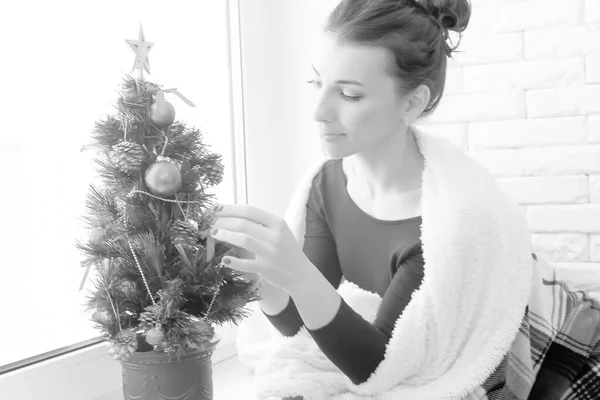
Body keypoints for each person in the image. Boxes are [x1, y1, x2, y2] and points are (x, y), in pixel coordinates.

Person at [206, 0, 597, 399]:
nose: (319, 112)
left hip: (565, 357)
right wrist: (264, 276)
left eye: (350, 95)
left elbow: (379, 367)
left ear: (412, 102)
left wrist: (296, 272)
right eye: (316, 83)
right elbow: (308, 330)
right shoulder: (326, 184)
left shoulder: (451, 220)